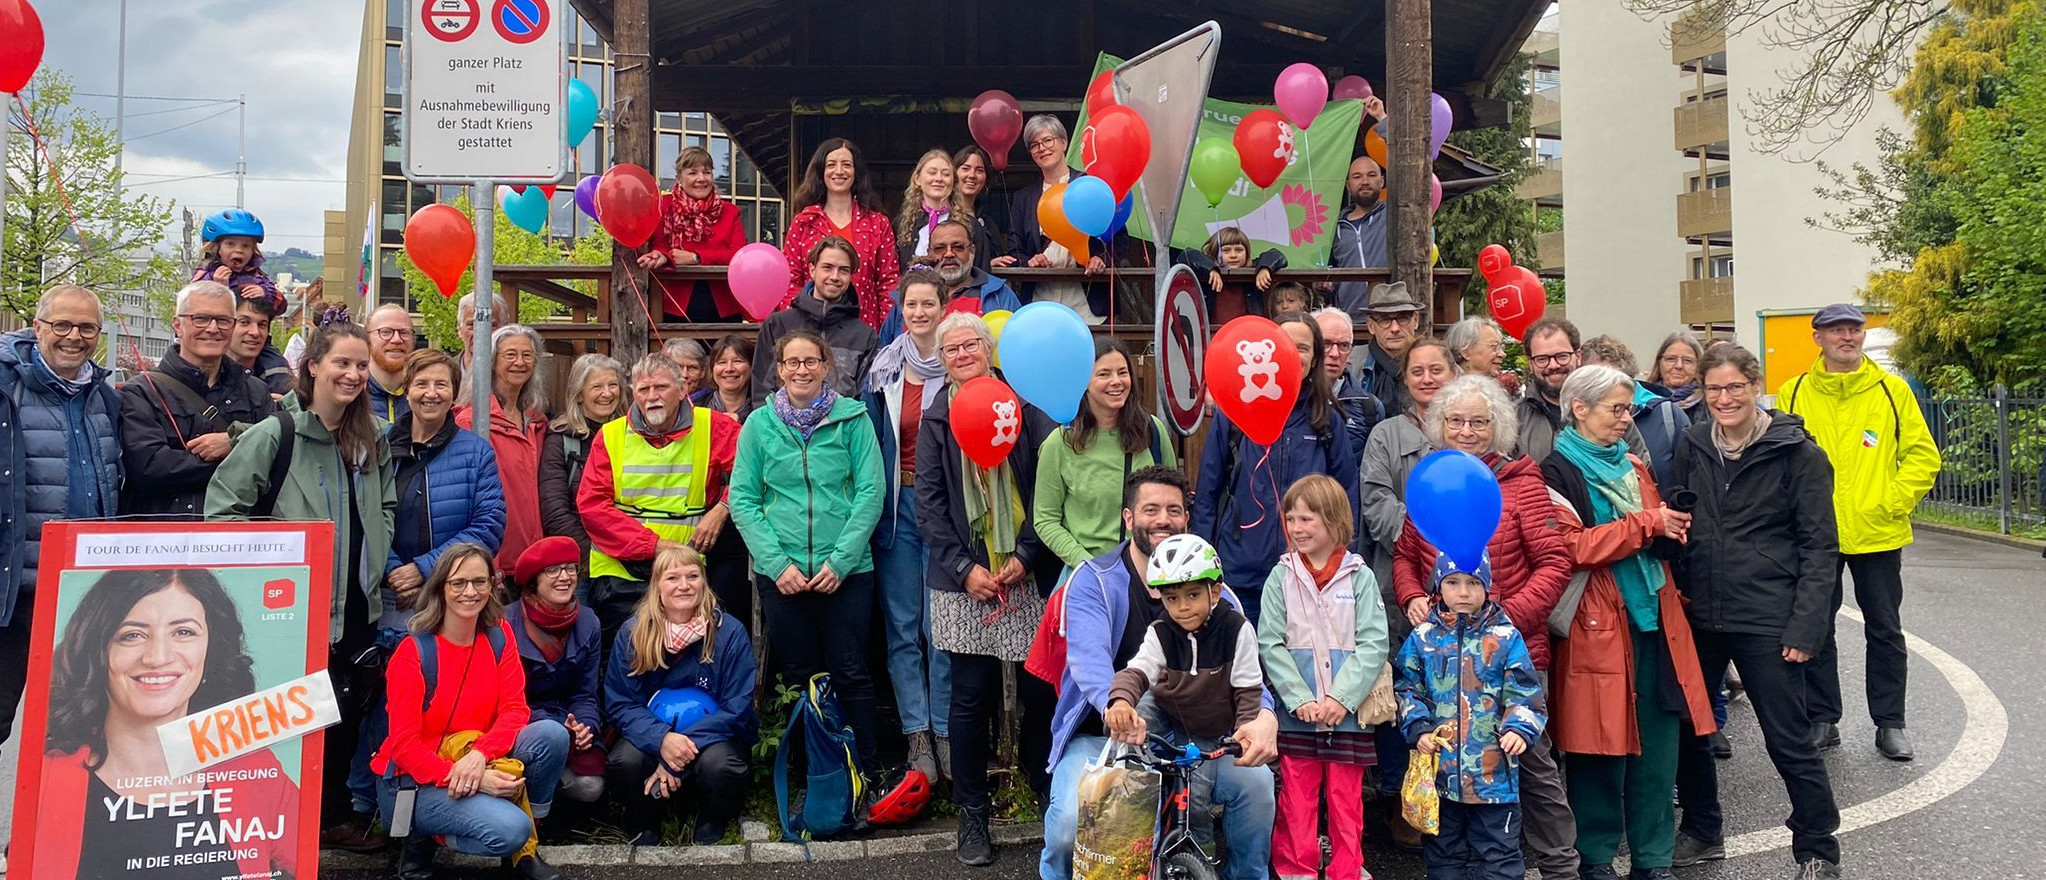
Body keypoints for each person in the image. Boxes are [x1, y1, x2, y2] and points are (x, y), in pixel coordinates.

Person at [205, 321, 397, 845]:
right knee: (290, 720)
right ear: (312, 366)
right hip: (294, 608)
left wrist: (376, 550)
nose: (354, 374)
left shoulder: (372, 434)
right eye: (342, 363)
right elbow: (223, 514)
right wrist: (277, 562)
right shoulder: (276, 434)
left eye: (362, 365)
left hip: (358, 604)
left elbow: (385, 504)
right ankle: (277, 825)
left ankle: (329, 820)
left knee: (342, 716)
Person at [1041, 465, 1280, 880]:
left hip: (1197, 731)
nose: (1164, 520)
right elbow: (1089, 662)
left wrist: (1265, 719)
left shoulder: (1216, 592)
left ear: (1186, 518)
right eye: (1150, 509)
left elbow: (1248, 674)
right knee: (1066, 830)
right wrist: (1115, 706)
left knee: (1256, 787)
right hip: (1104, 734)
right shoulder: (1093, 581)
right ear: (1129, 518)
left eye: (1174, 509)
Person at [1391, 374, 1577, 880]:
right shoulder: (1433, 480)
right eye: (1456, 420)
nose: (1467, 430)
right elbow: (1407, 555)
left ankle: (1561, 868)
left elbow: (1555, 562)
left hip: (1511, 655)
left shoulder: (1523, 480)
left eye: (1479, 421)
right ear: (1440, 426)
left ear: (1498, 426)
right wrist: (1410, 595)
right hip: (1442, 657)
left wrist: (1501, 627)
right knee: (1448, 768)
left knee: (1532, 767)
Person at [1668, 344, 1843, 878]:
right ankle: (1702, 829)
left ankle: (1817, 849)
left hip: (1769, 616)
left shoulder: (1799, 455)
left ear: (1755, 385)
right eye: (1714, 389)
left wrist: (1807, 625)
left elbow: (1820, 548)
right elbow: (1680, 522)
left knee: (1788, 737)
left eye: (1734, 388)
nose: (1725, 399)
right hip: (1701, 613)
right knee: (1690, 729)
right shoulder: (1692, 445)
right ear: (1703, 391)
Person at [1539, 364, 1718, 880]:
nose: (1625, 419)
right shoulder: (1553, 472)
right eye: (1616, 409)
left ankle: (1654, 859)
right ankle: (1596, 857)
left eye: (1627, 409)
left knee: (1659, 753)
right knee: (1598, 748)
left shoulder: (1635, 467)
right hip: (1596, 624)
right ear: (1579, 409)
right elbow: (1569, 548)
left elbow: (1647, 530)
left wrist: (1670, 529)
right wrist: (1647, 525)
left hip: (1655, 618)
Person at [38, 568, 297, 880]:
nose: (157, 657)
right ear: (99, 651)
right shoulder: (47, 777)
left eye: (184, 632)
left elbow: (300, 863)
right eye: (132, 635)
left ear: (211, 648)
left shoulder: (257, 770)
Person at [915, 312, 1057, 865]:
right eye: (950, 349)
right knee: (968, 699)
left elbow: (1048, 490)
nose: (961, 354)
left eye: (970, 343)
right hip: (960, 579)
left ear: (988, 348)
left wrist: (1024, 555)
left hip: (1023, 574)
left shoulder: (1022, 409)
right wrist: (964, 569)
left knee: (1039, 695)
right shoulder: (935, 419)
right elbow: (927, 504)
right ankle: (972, 814)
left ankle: (1046, 795)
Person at [1775, 303, 1941, 761]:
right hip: (1814, 534)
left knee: (1885, 630)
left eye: (1853, 330)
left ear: (1862, 336)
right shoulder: (1794, 393)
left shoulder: (1892, 391)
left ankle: (1890, 723)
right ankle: (1823, 718)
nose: (1846, 337)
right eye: (1836, 331)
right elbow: (1777, 459)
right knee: (1816, 627)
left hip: (1878, 532)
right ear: (1818, 339)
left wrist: (1893, 501)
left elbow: (1923, 455)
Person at [729, 330, 886, 771]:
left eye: (810, 362)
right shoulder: (759, 424)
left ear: (825, 366)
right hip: (784, 574)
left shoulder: (853, 419)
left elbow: (871, 493)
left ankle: (866, 769)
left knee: (852, 671)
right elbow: (743, 498)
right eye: (792, 363)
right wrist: (778, 566)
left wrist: (841, 560)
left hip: (848, 572)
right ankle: (815, 773)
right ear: (779, 370)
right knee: (799, 675)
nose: (801, 370)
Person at [371, 544, 567, 880]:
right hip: (413, 782)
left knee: (551, 736)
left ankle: (524, 854)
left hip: (474, 757)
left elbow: (515, 709)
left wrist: (479, 756)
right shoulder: (412, 653)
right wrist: (476, 782)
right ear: (440, 588)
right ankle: (423, 840)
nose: (470, 592)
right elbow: (404, 746)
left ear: (492, 586)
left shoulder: (499, 636)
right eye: (458, 583)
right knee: (509, 830)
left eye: (480, 582)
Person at [0, 285, 123, 752]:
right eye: (62, 325)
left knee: (76, 736)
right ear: (37, 329)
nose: (74, 337)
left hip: (83, 596)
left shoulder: (105, 399)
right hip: (16, 595)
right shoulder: (5, 389)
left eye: (87, 327)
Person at [1258, 474, 1389, 880]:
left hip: (1346, 714)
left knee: (1346, 797)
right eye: (1291, 519)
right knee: (1297, 796)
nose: (1296, 529)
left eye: (1306, 519)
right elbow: (1270, 642)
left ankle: (1347, 869)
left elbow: (1374, 644)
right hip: (1301, 713)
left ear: (1333, 520)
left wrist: (1341, 699)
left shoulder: (1360, 576)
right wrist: (1299, 699)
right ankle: (1296, 867)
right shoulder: (1280, 577)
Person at [1102, 535, 1265, 860]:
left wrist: (1246, 728)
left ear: (1215, 591)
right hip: (1165, 710)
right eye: (1172, 598)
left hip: (1208, 724)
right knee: (1137, 721)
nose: (1183, 607)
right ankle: (1134, 828)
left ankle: (1198, 853)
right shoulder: (1161, 630)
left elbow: (1249, 689)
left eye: (1192, 595)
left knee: (1195, 790)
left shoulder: (1237, 629)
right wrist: (1120, 702)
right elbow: (1138, 671)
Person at [1193, 311, 1359, 621]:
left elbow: (1346, 494)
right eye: (1285, 344)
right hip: (1241, 573)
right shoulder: (1233, 415)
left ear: (1315, 357)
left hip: (1310, 575)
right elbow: (1207, 492)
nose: (1293, 355)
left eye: (1303, 347)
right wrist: (1204, 564)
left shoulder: (1326, 419)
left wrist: (1342, 561)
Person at [1395, 553, 1546, 880]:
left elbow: (1525, 692)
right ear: (1438, 586)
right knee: (1443, 858)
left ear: (1487, 586)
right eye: (1453, 582)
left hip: (1493, 779)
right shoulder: (1423, 639)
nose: (1463, 592)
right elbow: (1407, 687)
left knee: (1500, 859)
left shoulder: (1506, 638)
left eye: (1473, 583)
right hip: (1441, 778)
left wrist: (1520, 728)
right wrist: (1419, 728)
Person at [578, 353, 741, 645]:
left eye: (661, 388)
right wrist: (655, 546)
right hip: (621, 570)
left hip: (687, 568)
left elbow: (752, 473)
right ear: (633, 394)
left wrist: (723, 508)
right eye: (643, 389)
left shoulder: (715, 426)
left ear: (682, 390)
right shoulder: (611, 435)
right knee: (630, 653)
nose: (652, 396)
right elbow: (592, 507)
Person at [864, 270, 955, 785]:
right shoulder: (884, 370)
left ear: (944, 307)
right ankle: (916, 732)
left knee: (938, 626)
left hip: (944, 511)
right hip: (898, 508)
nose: (919, 313)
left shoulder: (961, 364)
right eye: (911, 305)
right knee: (902, 628)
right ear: (900, 311)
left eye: (928, 304)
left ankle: (945, 730)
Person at [602, 545, 756, 846]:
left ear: (704, 582)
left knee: (722, 766)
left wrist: (681, 750)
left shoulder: (729, 632)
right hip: (652, 731)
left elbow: (738, 707)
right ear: (657, 586)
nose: (684, 585)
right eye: (673, 578)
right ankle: (643, 821)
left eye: (692, 576)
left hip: (713, 734)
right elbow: (621, 703)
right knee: (625, 761)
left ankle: (713, 818)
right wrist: (661, 739)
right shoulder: (634, 633)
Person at [119, 281, 275, 518]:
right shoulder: (142, 392)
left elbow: (278, 457)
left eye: (223, 320)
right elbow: (150, 469)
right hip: (162, 543)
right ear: (177, 325)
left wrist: (233, 441)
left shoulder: (256, 391)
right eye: (200, 318)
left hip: (237, 541)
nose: (213, 328)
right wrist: (245, 456)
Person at [386, 349, 508, 637]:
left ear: (453, 392)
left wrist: (425, 570)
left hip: (453, 595)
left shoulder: (476, 452)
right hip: (391, 596)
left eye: (441, 384)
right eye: (421, 384)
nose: (431, 393)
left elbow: (488, 526)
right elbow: (367, 519)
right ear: (407, 391)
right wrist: (394, 573)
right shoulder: (381, 446)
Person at [1034, 339, 1176, 574]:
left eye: (1122, 372)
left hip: (1150, 573)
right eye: (1104, 374)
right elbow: (1045, 519)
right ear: (1083, 382)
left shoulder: (1152, 430)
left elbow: (1174, 498)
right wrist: (1088, 564)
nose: (1116, 382)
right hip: (1089, 576)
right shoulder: (1059, 443)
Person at [505, 536, 609, 809]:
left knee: (591, 787)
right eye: (553, 570)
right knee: (549, 739)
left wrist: (585, 726)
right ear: (533, 580)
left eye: (570, 568)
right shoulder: (504, 624)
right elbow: (503, 699)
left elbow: (586, 692)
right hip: (519, 725)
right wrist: (556, 724)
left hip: (568, 722)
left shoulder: (589, 622)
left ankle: (548, 806)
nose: (564, 577)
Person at [457, 324, 549, 574]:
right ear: (491, 361)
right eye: (510, 355)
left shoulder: (537, 420)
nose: (519, 362)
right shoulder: (472, 421)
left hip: (534, 559)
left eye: (527, 355)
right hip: (495, 559)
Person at [780, 138, 901, 328]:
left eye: (846, 165)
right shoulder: (803, 222)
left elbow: (888, 284)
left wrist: (887, 334)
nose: (839, 171)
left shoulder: (878, 223)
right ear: (821, 171)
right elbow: (790, 280)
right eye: (831, 165)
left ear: (856, 172)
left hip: (863, 331)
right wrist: (796, 325)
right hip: (810, 331)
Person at [1005, 114, 1110, 320]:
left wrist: (1101, 258)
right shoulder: (1023, 198)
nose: (1041, 148)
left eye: (1047, 140)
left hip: (1087, 301)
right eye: (1034, 145)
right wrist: (1030, 261)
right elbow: (1014, 249)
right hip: (1040, 299)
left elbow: (1116, 235)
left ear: (1064, 143)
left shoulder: (1089, 185)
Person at [752, 236, 881, 403]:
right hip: (781, 428)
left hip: (842, 427)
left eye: (843, 270)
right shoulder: (777, 325)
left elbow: (866, 402)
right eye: (827, 267)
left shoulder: (864, 336)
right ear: (812, 270)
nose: (835, 276)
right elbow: (761, 393)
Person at [638, 145, 748, 322]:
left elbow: (738, 255)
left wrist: (696, 257)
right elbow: (660, 244)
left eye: (707, 172)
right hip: (674, 303)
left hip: (723, 304)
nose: (701, 178)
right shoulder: (662, 207)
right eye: (693, 173)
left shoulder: (730, 212)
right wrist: (662, 256)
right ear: (679, 178)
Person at [1517, 318, 1648, 465]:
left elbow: (1642, 470)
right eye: (1542, 359)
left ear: (1578, 356)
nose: (1553, 365)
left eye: (1562, 356)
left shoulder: (1613, 410)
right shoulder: (1515, 418)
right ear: (1531, 363)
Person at [878, 219, 1024, 344]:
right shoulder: (908, 298)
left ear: (972, 251)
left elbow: (1017, 348)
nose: (949, 254)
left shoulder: (998, 294)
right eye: (940, 248)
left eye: (958, 247)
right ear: (929, 253)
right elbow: (883, 354)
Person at [538, 353, 625, 558]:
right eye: (597, 387)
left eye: (612, 385)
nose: (607, 393)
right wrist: (593, 555)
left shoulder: (632, 434)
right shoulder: (561, 440)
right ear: (578, 394)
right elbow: (555, 512)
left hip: (629, 557)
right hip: (584, 561)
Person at [1314, 307, 1387, 455]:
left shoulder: (1370, 407)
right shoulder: (1291, 401)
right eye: (1326, 344)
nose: (1335, 354)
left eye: (1343, 346)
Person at [1183, 225, 1286, 324]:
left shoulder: (1254, 268)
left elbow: (1277, 255)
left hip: (1246, 335)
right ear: (1215, 254)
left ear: (1247, 253)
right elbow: (1186, 255)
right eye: (1226, 250)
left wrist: (1264, 268)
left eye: (1239, 250)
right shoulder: (1207, 270)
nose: (1233, 255)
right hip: (1215, 336)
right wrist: (1211, 269)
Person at [1329, 155, 1388, 317]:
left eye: (1371, 175)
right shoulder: (1334, 226)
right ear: (1348, 185)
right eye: (1357, 176)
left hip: (1391, 316)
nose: (1365, 181)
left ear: (1381, 181)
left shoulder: (1394, 214)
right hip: (1351, 318)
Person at [1355, 281, 1425, 414]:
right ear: (1370, 326)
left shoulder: (1435, 360)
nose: (1395, 328)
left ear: (1415, 320)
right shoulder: (1350, 364)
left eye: (1403, 318)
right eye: (1384, 320)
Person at [896, 148, 972, 269]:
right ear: (917, 179)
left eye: (946, 174)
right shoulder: (902, 225)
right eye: (932, 173)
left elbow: (981, 274)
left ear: (953, 181)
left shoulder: (970, 225)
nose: (939, 179)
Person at [953, 144, 1005, 274]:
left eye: (979, 170)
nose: (972, 175)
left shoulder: (988, 223)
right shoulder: (943, 216)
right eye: (965, 168)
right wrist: (985, 264)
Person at [229, 294, 294, 398]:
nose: (255, 332)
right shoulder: (205, 378)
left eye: (262, 325)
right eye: (244, 322)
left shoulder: (278, 374)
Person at [367, 304, 420, 423]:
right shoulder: (351, 395)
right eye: (385, 332)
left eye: (404, 332)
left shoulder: (425, 396)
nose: (396, 339)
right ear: (367, 339)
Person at [1444, 315, 1520, 397]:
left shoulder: (1495, 392)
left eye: (1501, 347)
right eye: (1494, 346)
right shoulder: (1451, 395)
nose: (1503, 354)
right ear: (1466, 353)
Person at [1644, 331, 1706, 422]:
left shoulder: (1709, 404)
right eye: (1671, 359)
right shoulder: (1643, 401)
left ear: (1698, 366)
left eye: (1687, 361)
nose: (1679, 366)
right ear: (1659, 362)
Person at [694, 335, 757, 422]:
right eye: (722, 362)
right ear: (712, 368)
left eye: (737, 361)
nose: (729, 369)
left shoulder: (765, 412)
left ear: (752, 366)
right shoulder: (695, 407)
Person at [457, 292, 512, 366]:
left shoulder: (514, 373)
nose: (480, 334)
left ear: (504, 329)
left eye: (490, 326)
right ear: (460, 330)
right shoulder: (444, 372)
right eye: (472, 325)